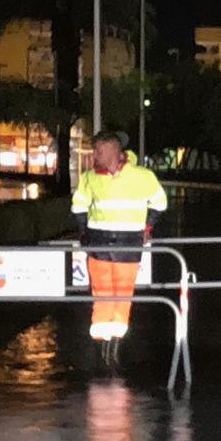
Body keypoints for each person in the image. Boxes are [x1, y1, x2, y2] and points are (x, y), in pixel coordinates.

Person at [71, 131, 167, 359]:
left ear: (114, 150)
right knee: (102, 289)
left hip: (128, 242)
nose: (95, 155)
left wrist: (147, 228)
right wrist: (84, 232)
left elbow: (159, 203)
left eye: (98, 150)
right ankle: (101, 341)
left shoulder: (142, 176)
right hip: (100, 242)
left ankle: (115, 341)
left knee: (123, 291)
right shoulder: (89, 177)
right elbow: (79, 207)